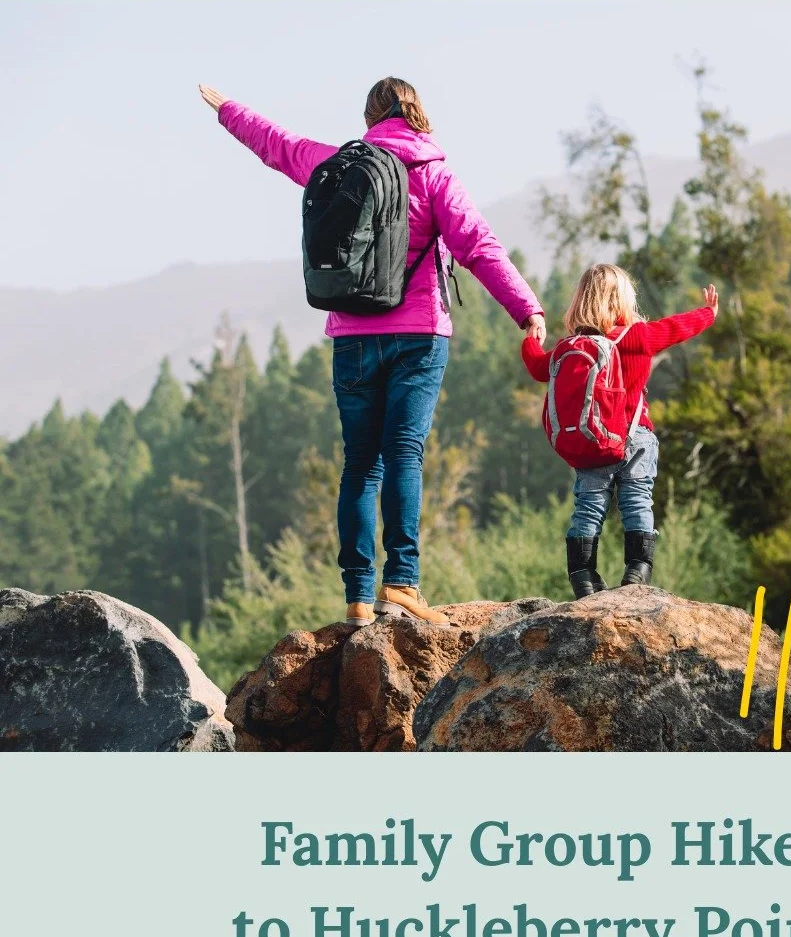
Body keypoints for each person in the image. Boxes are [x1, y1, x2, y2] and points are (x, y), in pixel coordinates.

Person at [199, 77, 545, 628]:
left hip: (353, 336)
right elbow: (478, 246)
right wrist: (526, 309)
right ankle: (402, 583)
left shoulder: (340, 165)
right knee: (403, 454)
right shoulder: (433, 173)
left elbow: (278, 145)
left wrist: (229, 110)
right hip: (419, 335)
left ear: (370, 118)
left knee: (361, 464)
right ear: (418, 113)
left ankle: (358, 597)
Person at [521, 263, 718, 597]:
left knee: (588, 507)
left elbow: (538, 366)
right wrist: (708, 313)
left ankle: (583, 576)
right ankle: (636, 573)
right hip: (636, 437)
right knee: (637, 501)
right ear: (623, 301)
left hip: (594, 440)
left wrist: (530, 341)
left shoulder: (572, 347)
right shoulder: (638, 336)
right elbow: (676, 328)